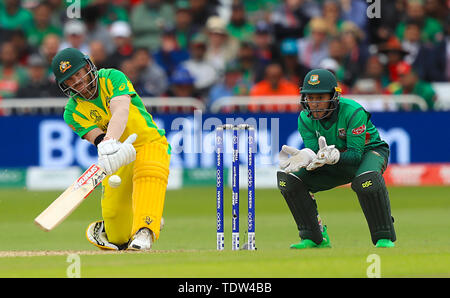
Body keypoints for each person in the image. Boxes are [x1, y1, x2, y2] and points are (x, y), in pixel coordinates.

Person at [50, 47, 171, 251]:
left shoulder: (112, 77)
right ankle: (118, 226)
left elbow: (121, 109)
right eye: (69, 80)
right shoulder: (71, 112)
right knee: (117, 235)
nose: (76, 81)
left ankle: (145, 228)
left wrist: (110, 140)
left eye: (78, 73)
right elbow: (95, 137)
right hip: (118, 157)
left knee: (149, 174)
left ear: (88, 67)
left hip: (148, 142)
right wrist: (107, 147)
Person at [277, 69, 396, 249]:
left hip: (368, 153)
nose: (315, 103)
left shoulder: (353, 111)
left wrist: (336, 156)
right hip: (334, 161)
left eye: (320, 97)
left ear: (334, 96)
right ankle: (315, 237)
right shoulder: (304, 118)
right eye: (310, 98)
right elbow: (318, 152)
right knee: (289, 180)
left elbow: (356, 155)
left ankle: (384, 237)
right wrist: (308, 155)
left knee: (367, 180)